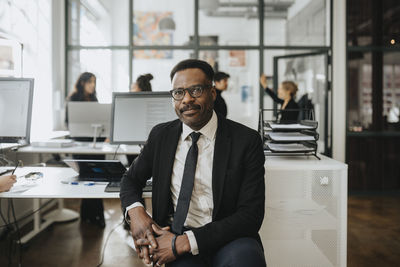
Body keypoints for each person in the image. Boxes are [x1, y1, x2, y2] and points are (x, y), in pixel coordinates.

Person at [120, 59, 266, 267]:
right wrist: (136, 213)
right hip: (176, 233)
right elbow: (130, 179)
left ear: (213, 93)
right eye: (178, 93)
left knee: (246, 261)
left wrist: (186, 243)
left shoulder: (246, 141)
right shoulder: (161, 135)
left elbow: (251, 215)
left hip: (231, 237)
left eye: (196, 90)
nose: (186, 99)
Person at [66, 72, 106, 228]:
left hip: (96, 146)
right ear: (82, 83)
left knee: (98, 181)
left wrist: (105, 136)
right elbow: (69, 123)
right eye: (90, 82)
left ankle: (97, 216)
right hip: (81, 146)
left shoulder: (94, 99)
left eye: (94, 82)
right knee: (86, 181)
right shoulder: (73, 99)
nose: (93, 85)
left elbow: (100, 122)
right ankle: (88, 216)